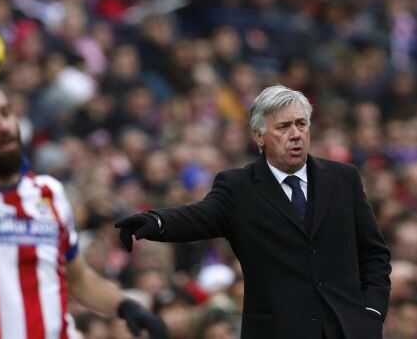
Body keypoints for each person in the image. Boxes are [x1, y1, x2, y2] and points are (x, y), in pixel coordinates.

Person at [0, 54, 169, 339]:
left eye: (5, 112)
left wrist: (125, 306)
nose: (2, 125)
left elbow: (78, 278)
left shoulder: (49, 192)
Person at [115, 85, 392, 339]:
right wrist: (155, 220)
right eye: (283, 127)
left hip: (347, 331)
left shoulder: (344, 178)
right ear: (259, 136)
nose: (295, 134)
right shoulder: (238, 187)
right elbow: (197, 217)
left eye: (301, 124)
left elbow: (374, 253)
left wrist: (372, 313)